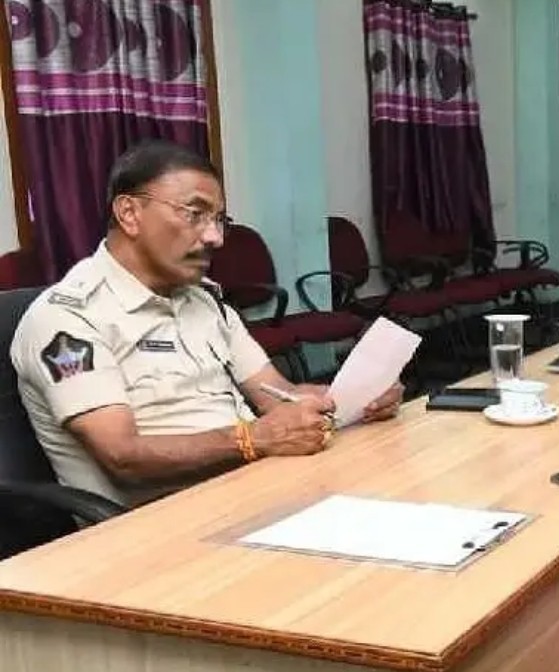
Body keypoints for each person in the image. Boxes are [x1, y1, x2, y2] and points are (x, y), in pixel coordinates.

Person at [10, 140, 403, 508]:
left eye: (219, 220)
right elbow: (123, 457)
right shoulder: (69, 317)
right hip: (158, 525)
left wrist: (353, 398)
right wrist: (253, 439)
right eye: (194, 214)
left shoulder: (204, 301)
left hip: (250, 488)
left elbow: (276, 395)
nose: (215, 237)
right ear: (129, 213)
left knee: (391, 489)